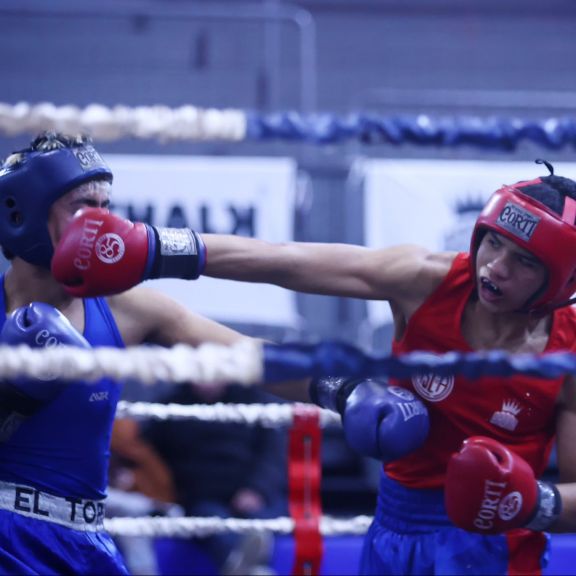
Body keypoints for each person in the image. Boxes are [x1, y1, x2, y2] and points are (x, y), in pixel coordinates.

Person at [53, 158, 576, 575]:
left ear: (559, 282)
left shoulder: (569, 352)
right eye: (494, 243)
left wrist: (532, 502)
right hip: (393, 529)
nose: (495, 267)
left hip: (497, 548)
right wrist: (153, 249)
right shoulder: (426, 281)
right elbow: (288, 259)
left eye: (524, 261)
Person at [0, 131, 429, 574]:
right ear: (23, 214)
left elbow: (250, 355)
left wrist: (345, 390)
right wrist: (13, 396)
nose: (101, 224)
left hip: (83, 543)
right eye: (82, 208)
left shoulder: (125, 308)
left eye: (105, 207)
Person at [137, 380, 288, 576]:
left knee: (261, 525)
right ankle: (251, 570)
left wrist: (256, 489)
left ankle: (247, 568)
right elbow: (144, 452)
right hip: (201, 499)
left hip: (254, 495)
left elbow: (273, 455)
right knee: (212, 524)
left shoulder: (253, 402)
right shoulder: (171, 407)